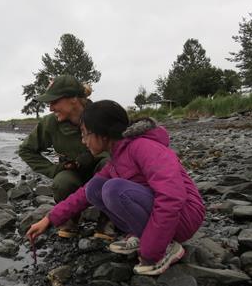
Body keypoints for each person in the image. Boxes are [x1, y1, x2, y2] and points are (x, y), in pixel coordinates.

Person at [26, 100, 205, 276]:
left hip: (185, 216)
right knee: (95, 188)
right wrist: (49, 219)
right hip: (170, 215)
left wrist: (151, 252)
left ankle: (166, 247)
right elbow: (83, 195)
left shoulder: (144, 147)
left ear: (102, 134)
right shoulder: (118, 157)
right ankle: (142, 235)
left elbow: (172, 197)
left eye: (85, 134)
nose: (83, 140)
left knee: (113, 189)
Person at [18, 75, 114, 239]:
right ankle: (69, 220)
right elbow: (26, 150)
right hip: (73, 173)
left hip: (104, 172)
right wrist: (54, 169)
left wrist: (94, 155)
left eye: (54, 102)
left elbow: (126, 147)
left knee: (111, 168)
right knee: (62, 182)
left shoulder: (103, 115)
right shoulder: (50, 123)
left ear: (73, 99)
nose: (50, 108)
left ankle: (108, 220)